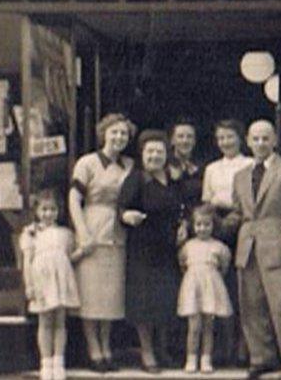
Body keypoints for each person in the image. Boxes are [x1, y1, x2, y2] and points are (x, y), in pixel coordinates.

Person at [223, 119, 281, 380]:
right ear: (247, 141)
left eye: (265, 138)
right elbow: (238, 214)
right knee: (251, 306)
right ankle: (261, 358)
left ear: (275, 141)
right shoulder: (240, 176)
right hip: (247, 245)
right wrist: (212, 224)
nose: (260, 143)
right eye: (255, 138)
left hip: (278, 244)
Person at [68, 113, 136, 372]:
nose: (119, 138)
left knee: (110, 295)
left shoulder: (128, 165)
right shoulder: (87, 163)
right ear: (104, 134)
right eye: (114, 133)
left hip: (117, 230)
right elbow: (74, 198)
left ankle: (107, 347)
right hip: (92, 224)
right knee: (90, 292)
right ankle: (93, 349)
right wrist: (82, 231)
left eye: (123, 134)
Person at [118, 129, 185, 373]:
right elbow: (121, 208)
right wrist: (127, 215)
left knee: (166, 299)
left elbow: (182, 207)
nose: (154, 156)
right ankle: (147, 353)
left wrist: (184, 224)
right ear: (142, 154)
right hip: (143, 248)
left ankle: (163, 349)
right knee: (144, 302)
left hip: (167, 248)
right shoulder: (136, 178)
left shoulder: (173, 178)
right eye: (150, 151)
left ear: (167, 154)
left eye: (159, 151)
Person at [201, 118, 253, 365]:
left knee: (240, 287)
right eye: (220, 138)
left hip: (242, 224)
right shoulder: (212, 168)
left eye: (229, 137)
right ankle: (223, 346)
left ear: (240, 138)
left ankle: (244, 347)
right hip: (216, 226)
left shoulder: (250, 164)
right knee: (218, 287)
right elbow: (206, 200)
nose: (225, 142)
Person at [20, 193, 84, 380]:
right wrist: (29, 284)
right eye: (44, 209)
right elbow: (27, 261)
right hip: (42, 280)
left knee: (60, 322)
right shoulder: (31, 233)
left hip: (61, 279)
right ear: (37, 211)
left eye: (53, 209)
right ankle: (45, 363)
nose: (48, 213)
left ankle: (59, 361)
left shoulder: (65, 233)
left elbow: (68, 258)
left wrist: (82, 252)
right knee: (45, 322)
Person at [177, 204, 233, 374]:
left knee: (209, 325)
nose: (202, 228)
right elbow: (182, 265)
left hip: (211, 287)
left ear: (213, 226)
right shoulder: (187, 247)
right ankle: (191, 357)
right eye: (198, 224)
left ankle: (206, 358)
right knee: (194, 326)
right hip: (193, 288)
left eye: (207, 224)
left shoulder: (219, 247)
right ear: (193, 226)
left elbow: (224, 267)